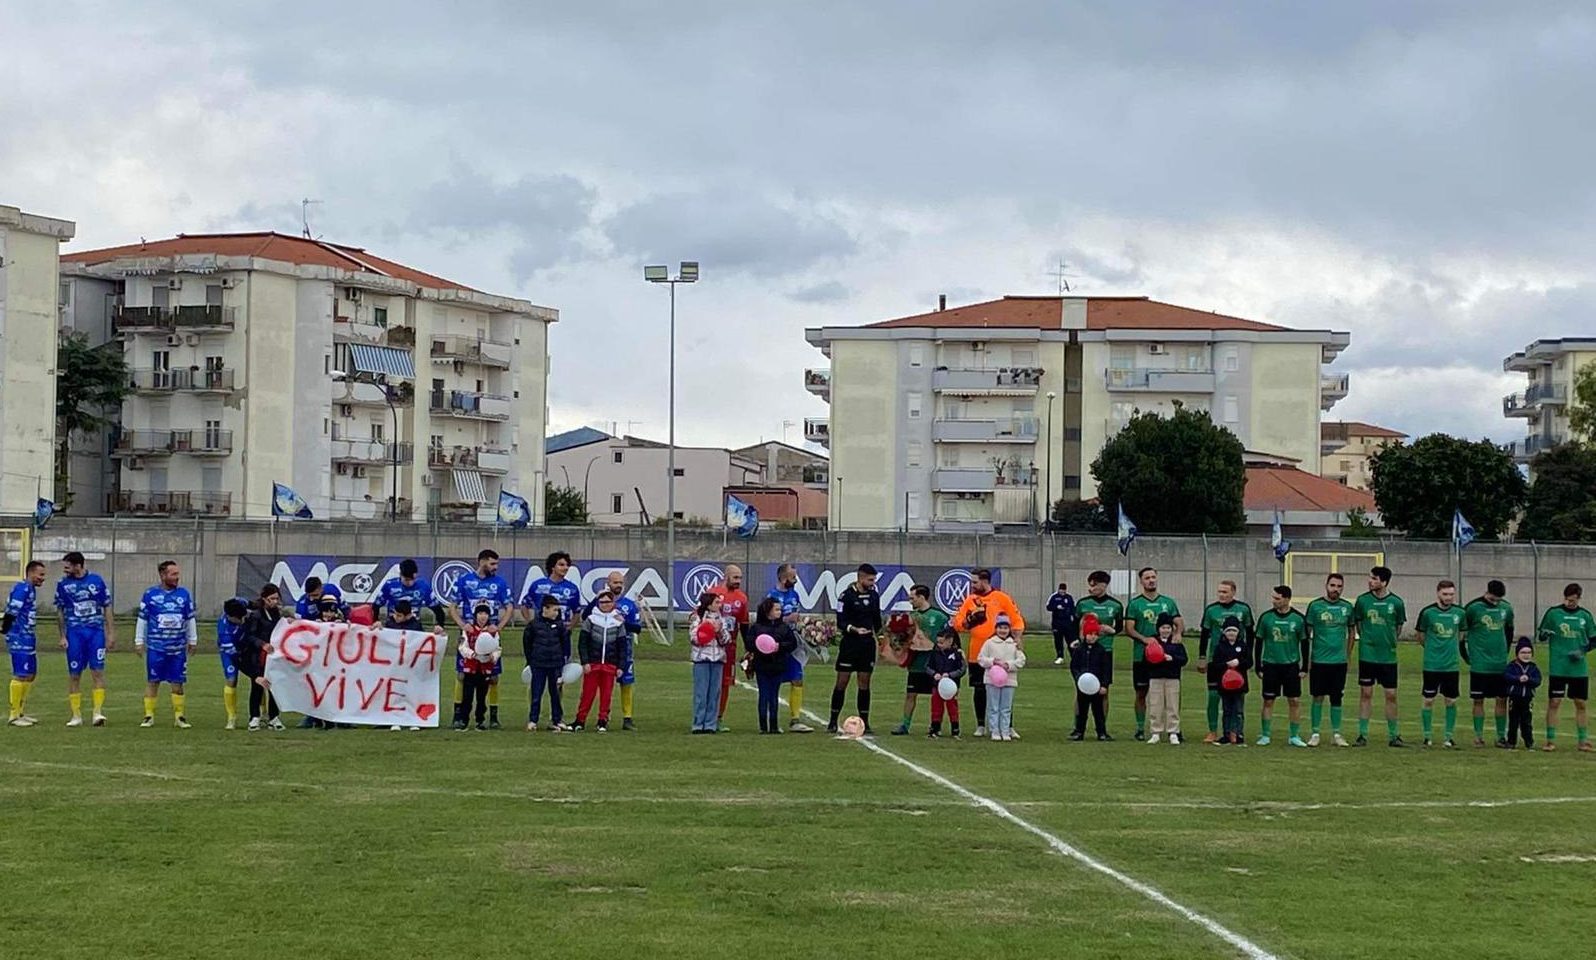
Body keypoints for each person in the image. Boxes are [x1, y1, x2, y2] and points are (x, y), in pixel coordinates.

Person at [447, 549, 514, 730]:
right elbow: (452, 606)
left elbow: (509, 607)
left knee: (492, 677)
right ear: (482, 562)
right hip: (470, 634)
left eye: (496, 564)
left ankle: (492, 716)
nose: (495, 567)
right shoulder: (465, 581)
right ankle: (458, 715)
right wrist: (463, 625)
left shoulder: (499, 583)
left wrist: (498, 627)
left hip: (490, 636)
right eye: (492, 564)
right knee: (462, 675)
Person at [952, 568, 1023, 738]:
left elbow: (1017, 620)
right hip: (977, 652)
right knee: (980, 689)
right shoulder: (970, 600)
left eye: (975, 582)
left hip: (1001, 653)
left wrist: (1017, 639)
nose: (972, 585)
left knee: (1004, 687)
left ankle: (1008, 726)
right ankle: (981, 724)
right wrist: (969, 620)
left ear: (985, 581)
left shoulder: (1001, 598)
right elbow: (958, 624)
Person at [135, 560, 198, 729]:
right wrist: (139, 641)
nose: (177, 577)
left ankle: (179, 717)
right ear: (163, 575)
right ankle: (149, 716)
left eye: (178, 574)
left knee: (178, 682)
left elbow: (190, 618)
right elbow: (142, 619)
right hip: (157, 646)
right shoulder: (150, 595)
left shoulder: (184, 594)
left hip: (177, 648)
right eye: (173, 574)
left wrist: (193, 640)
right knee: (153, 681)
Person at [55, 551, 114, 727]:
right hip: (75, 634)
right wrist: (62, 636)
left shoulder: (96, 581)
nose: (65, 570)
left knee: (97, 672)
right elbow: (59, 611)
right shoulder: (63, 585)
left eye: (68, 566)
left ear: (78, 565)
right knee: (74, 674)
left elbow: (107, 607)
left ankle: (97, 713)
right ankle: (76, 715)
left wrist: (110, 633)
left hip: (95, 633)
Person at [1536, 582, 1596, 752]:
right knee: (1554, 702)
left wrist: (1583, 650)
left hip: (1578, 669)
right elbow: (1541, 635)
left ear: (1579, 598)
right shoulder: (1553, 613)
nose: (1570, 603)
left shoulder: (1585, 616)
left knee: (1580, 703)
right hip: (1558, 667)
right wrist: (1545, 634)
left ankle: (1583, 741)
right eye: (1568, 599)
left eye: (1573, 600)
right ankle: (1550, 740)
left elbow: (1594, 639)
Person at [1124, 567, 1182, 741]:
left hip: (1167, 658)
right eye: (1147, 578)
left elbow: (1178, 622)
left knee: (1171, 694)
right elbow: (1129, 629)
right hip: (1143, 656)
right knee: (1141, 692)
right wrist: (1145, 639)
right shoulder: (1135, 604)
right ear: (1141, 581)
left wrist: (1178, 633)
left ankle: (1175, 729)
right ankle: (1141, 727)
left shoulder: (1168, 602)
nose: (1151, 580)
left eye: (1153, 577)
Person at [579, 571, 643, 730]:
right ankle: (589, 718)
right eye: (615, 582)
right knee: (598, 686)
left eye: (621, 583)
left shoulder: (629, 604)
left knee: (626, 682)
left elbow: (637, 628)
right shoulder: (601, 601)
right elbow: (585, 616)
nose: (618, 586)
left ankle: (627, 718)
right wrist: (596, 599)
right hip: (601, 650)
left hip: (623, 648)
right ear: (608, 583)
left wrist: (623, 623)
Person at [1353, 565, 1408, 747]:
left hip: (1388, 657)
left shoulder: (1397, 603)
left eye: (1374, 579)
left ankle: (1393, 736)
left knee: (1391, 695)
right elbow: (1359, 625)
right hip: (1367, 655)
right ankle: (1362, 735)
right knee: (1366, 693)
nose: (1370, 581)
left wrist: (1388, 641)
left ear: (1384, 582)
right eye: (1370, 578)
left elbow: (1398, 628)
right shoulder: (1362, 601)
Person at [830, 563, 884, 735]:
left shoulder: (874, 595)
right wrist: (854, 629)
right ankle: (832, 721)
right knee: (842, 681)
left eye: (874, 579)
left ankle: (865, 722)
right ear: (860, 578)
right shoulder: (845, 596)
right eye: (870, 579)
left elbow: (877, 619)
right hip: (850, 644)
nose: (873, 582)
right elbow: (841, 622)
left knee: (864, 683)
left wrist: (881, 637)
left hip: (867, 645)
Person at [1198, 580, 1254, 743]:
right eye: (1219, 592)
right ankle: (1213, 730)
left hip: (1237, 661)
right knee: (1214, 696)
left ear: (1233, 593)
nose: (1221, 595)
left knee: (1236, 699)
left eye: (1225, 592)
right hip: (1217, 661)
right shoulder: (1211, 610)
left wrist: (1248, 656)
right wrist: (1202, 657)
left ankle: (1235, 732)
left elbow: (1250, 633)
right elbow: (1204, 634)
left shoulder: (1243, 609)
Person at [1304, 573, 1355, 747]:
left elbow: (1351, 633)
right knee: (1317, 696)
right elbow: (1307, 634)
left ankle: (1336, 733)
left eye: (1339, 586)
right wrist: (1308, 658)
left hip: (1339, 662)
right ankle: (1315, 733)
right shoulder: (1315, 606)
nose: (1336, 589)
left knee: (1336, 697)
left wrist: (1347, 655)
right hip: (1319, 660)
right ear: (1326, 586)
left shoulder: (1347, 607)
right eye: (1333, 585)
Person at [1255, 585, 1309, 748]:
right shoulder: (1266, 618)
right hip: (1271, 665)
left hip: (1291, 666)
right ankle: (1265, 735)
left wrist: (1304, 667)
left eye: (1277, 598)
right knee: (1268, 700)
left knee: (1294, 700)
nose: (1274, 601)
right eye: (1273, 598)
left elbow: (1304, 643)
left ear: (1286, 599)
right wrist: (1258, 666)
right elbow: (1259, 642)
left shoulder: (1298, 619)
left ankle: (1294, 735)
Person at [1461, 579, 1514, 747]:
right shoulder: (1473, 608)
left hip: (1499, 663)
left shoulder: (1506, 608)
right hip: (1479, 663)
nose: (1496, 602)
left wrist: (1505, 652)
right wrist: (1465, 655)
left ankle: (1500, 737)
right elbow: (1462, 633)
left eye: (1498, 599)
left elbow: (1509, 630)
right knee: (1478, 700)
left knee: (1501, 699)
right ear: (1487, 592)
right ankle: (1478, 736)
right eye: (1493, 599)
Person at [1415, 579, 1466, 748]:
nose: (1449, 597)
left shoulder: (1460, 613)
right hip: (1432, 664)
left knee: (1451, 701)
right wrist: (1432, 648)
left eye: (1451, 594)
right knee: (1428, 700)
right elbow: (1420, 636)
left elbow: (1462, 634)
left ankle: (1448, 737)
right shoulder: (1428, 613)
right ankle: (1427, 736)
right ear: (1438, 593)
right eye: (1445, 594)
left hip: (1451, 665)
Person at [892, 584, 946, 735]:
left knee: (936, 696)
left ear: (922, 597)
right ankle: (905, 725)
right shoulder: (911, 617)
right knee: (911, 694)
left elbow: (949, 636)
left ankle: (936, 726)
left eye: (912, 598)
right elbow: (903, 638)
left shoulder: (939, 616)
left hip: (933, 665)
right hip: (916, 664)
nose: (910, 601)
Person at [767, 563, 813, 733]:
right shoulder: (771, 596)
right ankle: (772, 719)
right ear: (783, 577)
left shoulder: (795, 595)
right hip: (777, 643)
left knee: (797, 678)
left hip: (793, 643)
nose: (795, 580)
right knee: (776, 681)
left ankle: (795, 719)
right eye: (793, 577)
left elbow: (796, 616)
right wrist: (786, 619)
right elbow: (767, 620)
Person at [574, 591, 628, 732]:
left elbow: (623, 646)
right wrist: (585, 661)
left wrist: (621, 665)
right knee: (587, 693)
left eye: (608, 602)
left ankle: (603, 720)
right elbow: (583, 643)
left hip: (610, 663)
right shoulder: (591, 619)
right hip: (593, 663)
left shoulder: (618, 621)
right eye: (602, 602)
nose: (605, 605)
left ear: (613, 603)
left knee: (606, 695)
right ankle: (580, 720)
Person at [1075, 571, 1124, 722]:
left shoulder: (1115, 605)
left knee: (1104, 690)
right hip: (1085, 651)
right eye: (1090, 584)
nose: (1092, 588)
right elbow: (1075, 625)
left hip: (1105, 651)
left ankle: (1102, 728)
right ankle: (1078, 726)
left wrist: (1110, 630)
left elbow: (1119, 627)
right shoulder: (1083, 603)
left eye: (1095, 584)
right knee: (1080, 690)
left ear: (1104, 585)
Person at [747, 597, 799, 734]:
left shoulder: (783, 627)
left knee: (774, 695)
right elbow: (750, 644)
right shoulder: (757, 627)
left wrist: (779, 646)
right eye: (776, 609)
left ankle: (774, 725)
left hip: (778, 665)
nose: (779, 612)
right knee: (764, 695)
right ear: (767, 611)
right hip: (762, 666)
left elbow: (792, 643)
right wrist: (761, 647)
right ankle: (763, 726)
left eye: (780, 609)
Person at [236, 584, 284, 731]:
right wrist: (262, 644)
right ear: (264, 599)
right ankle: (254, 717)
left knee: (274, 687)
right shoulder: (256, 615)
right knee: (257, 686)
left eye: (277, 598)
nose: (275, 601)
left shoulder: (277, 614)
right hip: (257, 656)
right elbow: (249, 636)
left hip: (273, 655)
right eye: (272, 599)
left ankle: (274, 717)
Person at [708, 565, 750, 731]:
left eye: (740, 578)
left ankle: (718, 717)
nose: (738, 581)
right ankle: (706, 716)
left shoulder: (742, 598)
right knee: (711, 682)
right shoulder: (713, 592)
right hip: (712, 646)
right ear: (726, 577)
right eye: (735, 578)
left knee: (725, 683)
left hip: (730, 648)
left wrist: (748, 648)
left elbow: (744, 625)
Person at [4, 561, 46, 726]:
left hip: (28, 636)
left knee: (31, 674)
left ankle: (20, 712)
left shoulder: (30, 589)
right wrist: (6, 630)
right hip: (19, 636)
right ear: (31, 573)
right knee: (21, 674)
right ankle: (13, 715)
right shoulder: (22, 588)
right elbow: (12, 611)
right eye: (41, 575)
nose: (43, 578)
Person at [380, 599, 431, 730]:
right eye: (395, 614)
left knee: (411, 693)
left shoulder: (416, 625)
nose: (395, 617)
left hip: (411, 666)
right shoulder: (389, 624)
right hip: (394, 666)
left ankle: (413, 719)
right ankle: (394, 719)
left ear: (408, 615)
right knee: (395, 692)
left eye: (399, 615)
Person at [688, 591, 732, 733]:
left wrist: (719, 632)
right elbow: (694, 637)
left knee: (714, 694)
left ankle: (710, 724)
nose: (720, 605)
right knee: (701, 694)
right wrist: (706, 632)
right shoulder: (698, 618)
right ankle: (698, 724)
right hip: (702, 660)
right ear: (708, 604)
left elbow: (727, 640)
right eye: (717, 602)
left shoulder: (722, 620)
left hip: (718, 659)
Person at [977, 614, 1024, 742]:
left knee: (1006, 707)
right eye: (1000, 628)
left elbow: (1021, 660)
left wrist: (1008, 665)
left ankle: (1005, 730)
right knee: (993, 706)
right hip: (992, 680)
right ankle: (995, 730)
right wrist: (993, 662)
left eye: (1005, 628)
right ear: (996, 629)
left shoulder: (1014, 644)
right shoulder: (989, 643)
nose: (1002, 631)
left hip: (1009, 680)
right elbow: (981, 659)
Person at [1145, 613, 1188, 745]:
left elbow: (1184, 659)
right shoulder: (1153, 642)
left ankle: (1173, 732)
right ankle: (1155, 732)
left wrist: (1172, 659)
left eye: (1168, 628)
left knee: (1172, 705)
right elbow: (1146, 659)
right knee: (1155, 704)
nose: (1166, 630)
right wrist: (1157, 659)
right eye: (1163, 628)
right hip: (1156, 678)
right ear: (1158, 628)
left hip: (1172, 678)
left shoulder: (1176, 643)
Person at [1069, 613, 1112, 741]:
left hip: (1097, 686)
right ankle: (1079, 731)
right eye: (1090, 634)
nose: (1092, 637)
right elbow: (1074, 666)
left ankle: (1101, 732)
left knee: (1098, 710)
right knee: (1082, 710)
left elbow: (1106, 669)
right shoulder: (1079, 650)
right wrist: (1078, 679)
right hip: (1083, 686)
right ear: (1085, 634)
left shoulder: (1101, 651)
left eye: (1095, 634)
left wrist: (1104, 684)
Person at [458, 605, 500, 730]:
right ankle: (463, 720)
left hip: (485, 668)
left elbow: (498, 648)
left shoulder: (493, 631)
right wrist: (472, 654)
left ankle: (480, 720)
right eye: (480, 613)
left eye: (485, 614)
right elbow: (462, 647)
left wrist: (494, 656)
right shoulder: (468, 630)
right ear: (475, 615)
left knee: (482, 697)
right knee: (467, 696)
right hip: (471, 667)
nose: (483, 616)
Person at [1212, 617, 1252, 745]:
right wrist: (1226, 664)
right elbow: (1215, 664)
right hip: (1225, 685)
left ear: (1238, 632)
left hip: (1240, 685)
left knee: (1239, 711)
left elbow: (1249, 662)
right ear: (1224, 632)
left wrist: (1239, 663)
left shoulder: (1243, 646)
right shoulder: (1220, 647)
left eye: (1234, 631)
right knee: (1227, 710)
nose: (1231, 633)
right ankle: (1226, 735)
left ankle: (1239, 735)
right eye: (1228, 630)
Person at [374, 558, 447, 627]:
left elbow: (438, 610)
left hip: (414, 626)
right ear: (400, 575)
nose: (409, 583)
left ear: (416, 575)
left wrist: (439, 625)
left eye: (412, 579)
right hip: (393, 624)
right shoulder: (390, 585)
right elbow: (376, 605)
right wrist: (376, 621)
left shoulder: (423, 586)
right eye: (406, 580)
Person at [926, 626, 966, 739]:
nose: (939, 645)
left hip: (951, 686)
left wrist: (950, 675)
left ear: (950, 641)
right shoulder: (934, 653)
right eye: (938, 642)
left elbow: (962, 670)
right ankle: (935, 728)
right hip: (937, 686)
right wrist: (934, 674)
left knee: (952, 707)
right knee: (936, 706)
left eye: (942, 642)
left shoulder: (957, 654)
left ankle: (955, 729)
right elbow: (928, 667)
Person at [217, 597, 250, 730]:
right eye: (239, 619)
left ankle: (262, 714)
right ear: (230, 617)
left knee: (257, 678)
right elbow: (233, 654)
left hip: (247, 646)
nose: (242, 621)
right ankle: (231, 717)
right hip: (231, 653)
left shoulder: (239, 603)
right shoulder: (224, 630)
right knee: (231, 679)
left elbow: (251, 603)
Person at [1503, 639, 1541, 750]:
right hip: (1514, 698)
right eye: (1523, 653)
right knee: (1513, 721)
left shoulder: (1533, 668)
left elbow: (1537, 680)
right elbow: (1507, 677)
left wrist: (1528, 679)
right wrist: (1518, 678)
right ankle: (1511, 742)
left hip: (1527, 699)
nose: (1526, 655)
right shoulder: (1512, 666)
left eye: (1528, 653)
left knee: (1526, 722)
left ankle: (1529, 742)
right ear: (1517, 654)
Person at [1046, 582, 1077, 665]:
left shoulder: (1069, 597)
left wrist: (1074, 620)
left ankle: (1074, 657)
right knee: (1058, 640)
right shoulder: (1054, 597)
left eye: (1064, 590)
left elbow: (1073, 609)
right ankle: (1060, 657)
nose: (1062, 592)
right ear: (1058, 589)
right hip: (1057, 623)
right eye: (1061, 590)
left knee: (1070, 640)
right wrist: (1056, 607)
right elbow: (1048, 607)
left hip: (1067, 623)